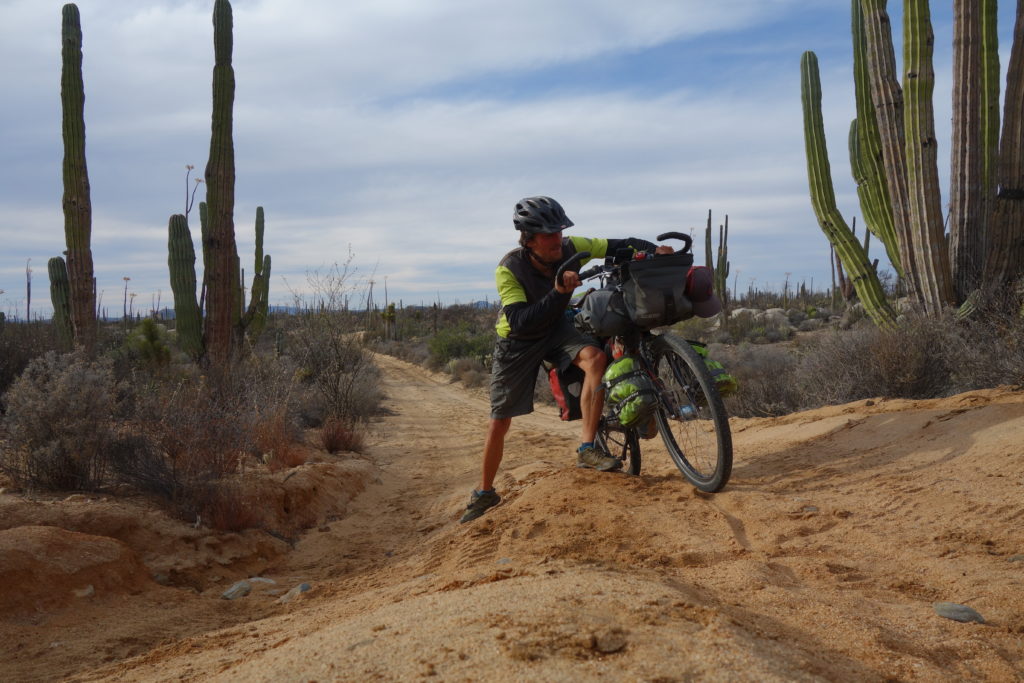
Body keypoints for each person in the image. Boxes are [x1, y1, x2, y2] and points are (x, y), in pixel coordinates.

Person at [460, 196, 673, 523]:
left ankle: (587, 448)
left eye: (559, 231)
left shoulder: (574, 246)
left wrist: (651, 250)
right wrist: (559, 292)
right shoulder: (510, 268)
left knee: (596, 360)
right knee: (500, 419)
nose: (557, 240)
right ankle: (485, 492)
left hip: (558, 326)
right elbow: (520, 320)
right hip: (518, 340)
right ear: (528, 240)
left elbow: (618, 246)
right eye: (548, 235)